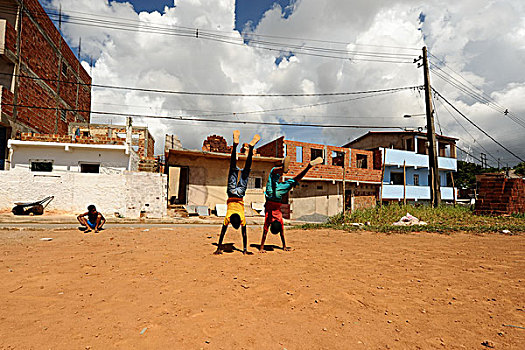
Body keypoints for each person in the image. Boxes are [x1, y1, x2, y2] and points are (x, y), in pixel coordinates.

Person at [258, 155, 324, 253]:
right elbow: (266, 233)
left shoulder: (279, 220)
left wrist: (283, 246)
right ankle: (283, 169)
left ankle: (308, 167)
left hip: (277, 195)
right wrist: (262, 247)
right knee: (273, 174)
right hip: (272, 194)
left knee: (295, 180)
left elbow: (281, 234)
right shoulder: (269, 219)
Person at [214, 130, 260, 255]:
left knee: (246, 171)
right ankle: (234, 146)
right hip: (231, 192)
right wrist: (219, 247)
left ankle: (251, 149)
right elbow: (223, 233)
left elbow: (244, 234)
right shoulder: (228, 217)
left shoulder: (242, 219)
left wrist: (245, 249)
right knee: (233, 167)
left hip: (240, 194)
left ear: (238, 221)